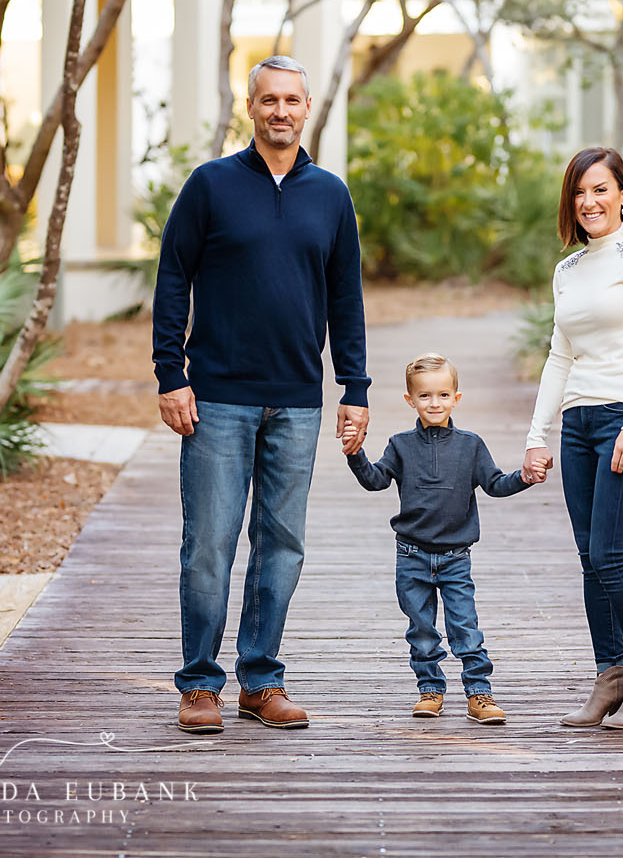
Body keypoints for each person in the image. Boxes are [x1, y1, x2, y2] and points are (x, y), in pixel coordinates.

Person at [153, 55, 370, 736]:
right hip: (215, 397)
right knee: (209, 544)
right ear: (252, 107)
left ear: (308, 108)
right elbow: (172, 280)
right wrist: (170, 374)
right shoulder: (210, 185)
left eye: (292, 100)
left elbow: (347, 299)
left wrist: (354, 387)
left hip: (298, 400)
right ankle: (198, 686)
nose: (281, 111)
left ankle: (261, 680)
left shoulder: (331, 195)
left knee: (281, 544)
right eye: (268, 100)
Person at [522, 146, 623, 729]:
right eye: (580, 192)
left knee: (611, 556)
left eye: (601, 189)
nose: (589, 201)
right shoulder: (568, 270)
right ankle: (610, 677)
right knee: (590, 559)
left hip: (620, 418)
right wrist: (540, 434)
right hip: (578, 425)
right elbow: (559, 356)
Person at [344, 353, 536, 725]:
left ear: (456, 398)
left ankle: (479, 693)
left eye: (443, 395)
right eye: (426, 396)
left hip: (455, 557)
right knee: (421, 630)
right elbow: (376, 480)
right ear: (410, 400)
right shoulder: (400, 445)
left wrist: (524, 477)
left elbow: (495, 484)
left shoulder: (471, 445)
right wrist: (356, 456)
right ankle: (430, 689)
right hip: (411, 556)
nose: (435, 403)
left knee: (465, 627)